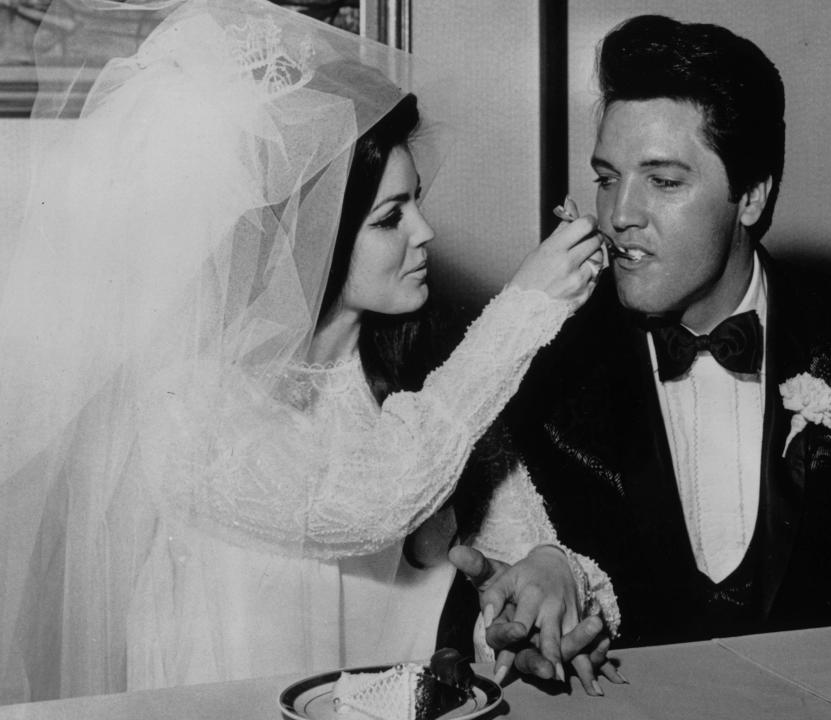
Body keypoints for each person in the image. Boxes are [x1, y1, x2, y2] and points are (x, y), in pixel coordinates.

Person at [0, 0, 615, 703]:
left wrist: (551, 576)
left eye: (417, 203)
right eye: (391, 217)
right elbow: (368, 500)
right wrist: (526, 308)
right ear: (309, 237)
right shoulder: (190, 399)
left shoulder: (418, 382)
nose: (425, 234)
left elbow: (520, 541)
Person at [455, 13, 831, 658]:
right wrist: (515, 621)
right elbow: (481, 578)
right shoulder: (548, 366)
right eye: (607, 177)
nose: (619, 215)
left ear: (749, 197)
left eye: (663, 182)